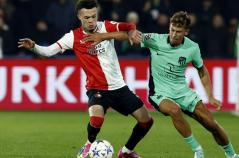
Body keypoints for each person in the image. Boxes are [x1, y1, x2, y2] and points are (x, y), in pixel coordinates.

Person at [82, 11, 239, 158]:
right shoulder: (155, 39)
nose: (174, 34)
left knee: (211, 124)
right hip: (159, 93)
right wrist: (102, 36)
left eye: (178, 31)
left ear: (186, 32)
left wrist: (210, 95)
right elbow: (129, 35)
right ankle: (197, 150)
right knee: (174, 110)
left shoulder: (193, 48)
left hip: (183, 92)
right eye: (172, 29)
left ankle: (232, 155)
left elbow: (202, 70)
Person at [17, 0, 153, 158]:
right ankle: (89, 144)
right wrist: (34, 47)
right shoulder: (72, 37)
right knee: (96, 118)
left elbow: (129, 27)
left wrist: (121, 33)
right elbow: (47, 52)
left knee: (147, 121)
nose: (91, 20)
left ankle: (126, 152)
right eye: (87, 17)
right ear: (79, 17)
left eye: (94, 16)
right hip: (96, 88)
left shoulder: (106, 26)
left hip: (119, 87)